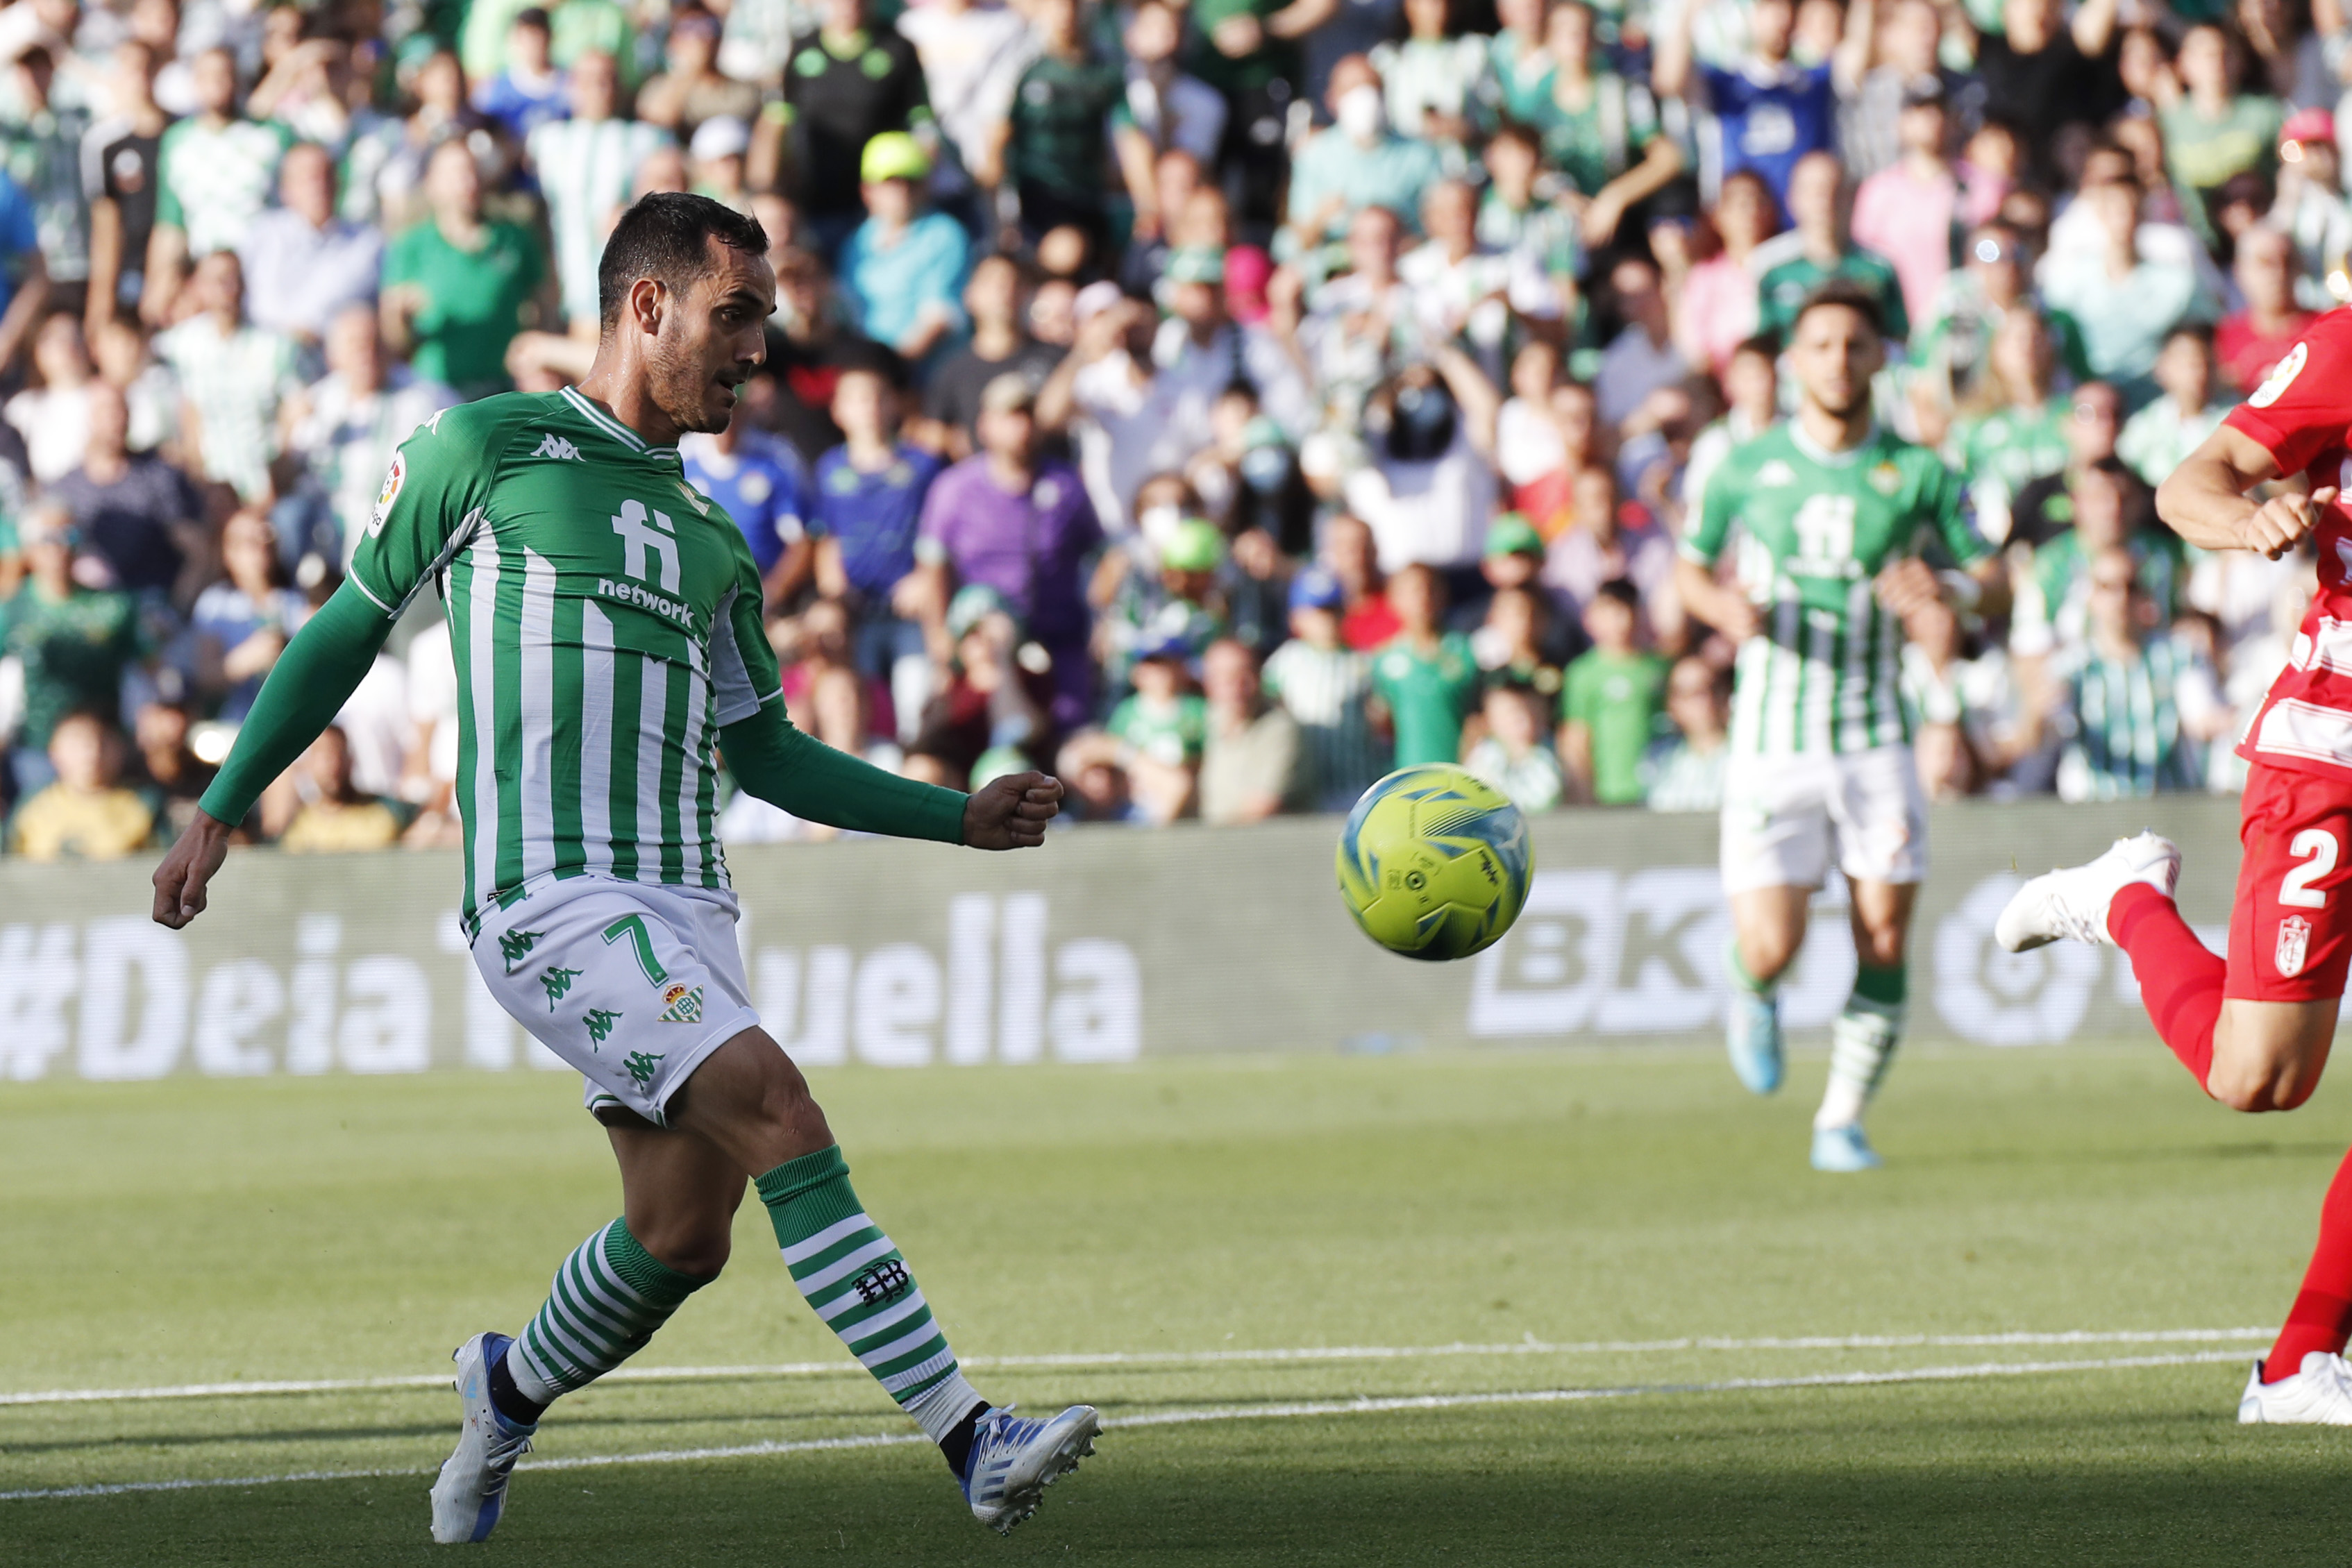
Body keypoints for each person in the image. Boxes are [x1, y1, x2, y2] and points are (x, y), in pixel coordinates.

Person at [148, 192, 1098, 1537]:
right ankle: (969, 1436)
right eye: (735, 315)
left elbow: (765, 754)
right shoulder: (486, 445)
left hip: (688, 905)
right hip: (549, 896)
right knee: (781, 1108)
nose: (755, 347)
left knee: (678, 1239)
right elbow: (345, 630)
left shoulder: (713, 539)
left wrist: (957, 814)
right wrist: (225, 803)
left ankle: (505, 1383)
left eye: (762, 319)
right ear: (644, 305)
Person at [1990, 298, 2352, 1423]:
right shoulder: (2343, 347)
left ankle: (2298, 1363)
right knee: (2258, 1076)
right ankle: (2127, 898)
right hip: (2330, 752)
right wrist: (2245, 522)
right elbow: (2190, 480)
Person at [1672, 280, 2005, 1172]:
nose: (1838, 361)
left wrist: (1948, 589)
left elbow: (1995, 576)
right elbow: (1690, 569)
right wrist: (1721, 611)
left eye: (1854, 345)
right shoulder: (1741, 467)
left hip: (1875, 739)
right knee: (1773, 943)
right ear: (1792, 361)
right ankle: (1753, 987)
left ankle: (1840, 1120)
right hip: (1771, 742)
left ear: (1879, 357)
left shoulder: (1923, 470)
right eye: (1819, 345)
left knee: (1885, 935)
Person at [916, 373, 1103, 732]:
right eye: (1011, 416)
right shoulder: (955, 489)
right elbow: (932, 567)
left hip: (1058, 642)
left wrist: (1104, 618)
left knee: (1069, 736)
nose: (1022, 426)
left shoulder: (1064, 486)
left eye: (1028, 414)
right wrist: (940, 644)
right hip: (982, 644)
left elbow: (1102, 553)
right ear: (985, 425)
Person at [807, 358, 943, 739]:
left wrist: (923, 579)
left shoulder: (923, 465)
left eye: (878, 398)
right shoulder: (829, 469)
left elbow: (941, 537)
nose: (869, 408)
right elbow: (825, 538)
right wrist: (835, 594)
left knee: (916, 710)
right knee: (858, 711)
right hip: (858, 614)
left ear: (894, 405)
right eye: (857, 399)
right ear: (838, 410)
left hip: (910, 614)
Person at [381, 139, 546, 400]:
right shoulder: (411, 247)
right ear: (431, 184)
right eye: (456, 174)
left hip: (504, 390)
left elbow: (545, 308)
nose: (468, 183)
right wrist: (400, 317)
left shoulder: (515, 238)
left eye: (473, 171)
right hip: (437, 392)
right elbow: (395, 341)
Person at [142, 45, 287, 328]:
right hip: (206, 278)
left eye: (224, 75)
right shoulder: (178, 141)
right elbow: (171, 223)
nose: (217, 84)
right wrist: (159, 283)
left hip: (266, 273)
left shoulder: (272, 135)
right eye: (208, 76)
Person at [526, 51, 669, 332]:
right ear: (572, 86)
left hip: (622, 280)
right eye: (589, 80)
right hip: (559, 279)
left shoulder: (648, 139)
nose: (601, 89)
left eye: (609, 79)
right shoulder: (545, 141)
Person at [839, 131, 969, 366]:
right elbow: (850, 312)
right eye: (892, 181)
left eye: (912, 181)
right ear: (867, 191)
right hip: (873, 370)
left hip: (924, 374)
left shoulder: (945, 234)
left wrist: (891, 369)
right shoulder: (856, 242)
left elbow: (940, 317)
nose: (903, 191)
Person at [237, 141, 383, 348]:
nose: (319, 186)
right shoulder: (260, 235)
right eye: (308, 178)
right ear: (285, 189)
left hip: (330, 362)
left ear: (338, 183)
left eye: (326, 176)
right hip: (260, 355)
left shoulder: (368, 245)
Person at [1263, 563, 1383, 811]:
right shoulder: (1285, 662)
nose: (1326, 619)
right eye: (1318, 611)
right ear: (1297, 617)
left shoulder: (1364, 662)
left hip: (1356, 786)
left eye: (1333, 609)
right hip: (1305, 787)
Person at [1558, 578, 1665, 807]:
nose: (1621, 621)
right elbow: (1577, 738)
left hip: (1657, 791)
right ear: (1591, 618)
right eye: (1611, 612)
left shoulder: (1658, 668)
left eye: (1628, 610)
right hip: (1607, 793)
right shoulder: (1583, 673)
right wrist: (1584, 795)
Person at [1371, 562, 1477, 768]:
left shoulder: (1467, 652)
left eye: (1430, 589)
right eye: (1414, 591)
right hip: (1405, 778)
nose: (1423, 597)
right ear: (1394, 599)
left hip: (1458, 774)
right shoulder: (1384, 659)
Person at [11, 709, 152, 859]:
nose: (92, 752)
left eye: (103, 741)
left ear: (121, 749)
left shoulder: (144, 804)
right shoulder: (32, 805)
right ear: (54, 750)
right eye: (77, 741)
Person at [1198, 634, 1301, 823]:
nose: (1236, 685)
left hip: (1262, 844)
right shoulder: (1207, 720)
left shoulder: (1280, 728)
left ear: (1259, 676)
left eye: (1244, 673)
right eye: (1224, 676)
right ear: (1208, 682)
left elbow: (1262, 807)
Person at [276, 723, 410, 852]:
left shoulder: (382, 816)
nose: (333, 765)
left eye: (339, 754)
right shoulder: (298, 829)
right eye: (325, 757)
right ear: (309, 763)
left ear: (351, 761)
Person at [1464, 677, 1565, 812]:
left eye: (1534, 711)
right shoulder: (1484, 756)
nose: (1525, 720)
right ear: (1488, 719)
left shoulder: (1556, 752)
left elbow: (1546, 796)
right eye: (1512, 713)